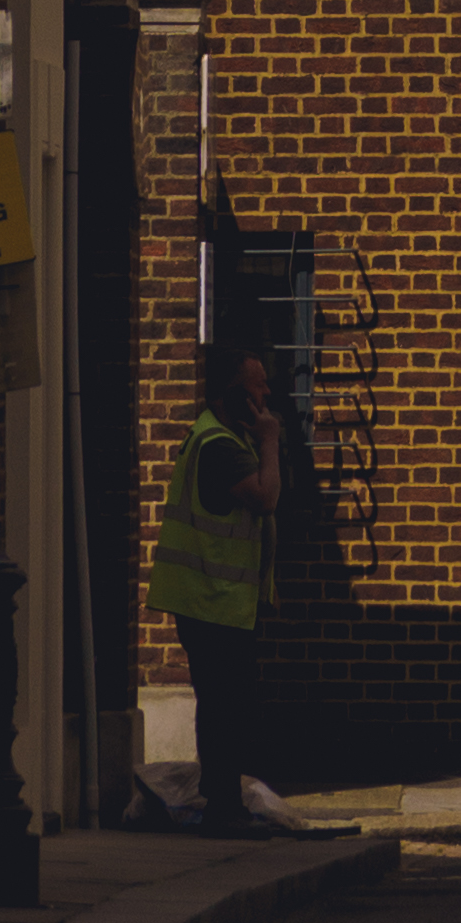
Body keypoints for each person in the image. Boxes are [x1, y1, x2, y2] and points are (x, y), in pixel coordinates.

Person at [146, 335, 294, 834]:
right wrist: (270, 439)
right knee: (224, 707)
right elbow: (265, 497)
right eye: (258, 387)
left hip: (219, 599)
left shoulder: (222, 437)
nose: (267, 395)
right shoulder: (221, 446)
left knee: (226, 704)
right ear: (233, 397)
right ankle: (223, 808)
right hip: (211, 600)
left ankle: (224, 803)